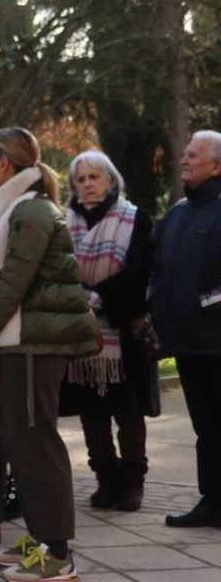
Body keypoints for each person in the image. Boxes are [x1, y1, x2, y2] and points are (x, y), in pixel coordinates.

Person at [0, 127, 98, 582]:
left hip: (32, 345)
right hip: (19, 342)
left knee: (36, 445)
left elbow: (14, 281)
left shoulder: (30, 211)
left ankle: (57, 554)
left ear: (4, 162)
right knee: (21, 444)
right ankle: (41, 539)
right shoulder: (17, 208)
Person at [60, 150, 157, 512]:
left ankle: (133, 481)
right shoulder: (62, 222)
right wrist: (79, 301)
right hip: (79, 330)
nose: (86, 185)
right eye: (80, 179)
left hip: (123, 328)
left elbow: (139, 272)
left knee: (129, 411)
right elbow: (55, 271)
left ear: (111, 180)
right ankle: (105, 477)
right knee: (92, 410)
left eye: (93, 177)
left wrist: (96, 299)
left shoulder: (135, 219)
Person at [149, 130, 221, 528]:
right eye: (185, 154)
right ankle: (212, 502)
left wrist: (203, 304)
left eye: (193, 155)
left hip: (215, 338)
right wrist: (157, 310)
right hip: (185, 340)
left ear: (217, 165)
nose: (183, 161)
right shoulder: (177, 213)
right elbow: (160, 269)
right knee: (205, 427)